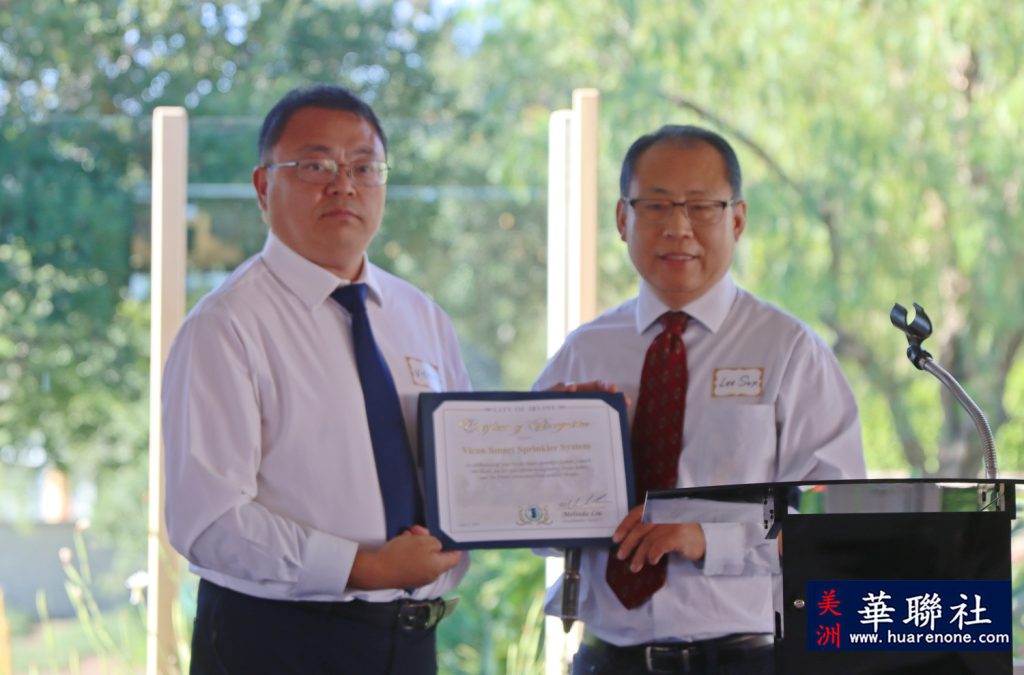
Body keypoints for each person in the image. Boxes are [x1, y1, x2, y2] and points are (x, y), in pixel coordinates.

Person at [534, 125, 866, 674]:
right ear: (622, 219)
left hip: (742, 660)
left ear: (737, 219)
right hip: (607, 660)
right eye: (656, 205)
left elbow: (836, 525)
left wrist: (706, 538)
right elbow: (528, 524)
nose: (678, 227)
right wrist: (557, 446)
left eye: (702, 207)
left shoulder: (788, 350)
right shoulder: (584, 353)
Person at [162, 84, 470, 674]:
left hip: (409, 642)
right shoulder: (225, 325)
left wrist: (558, 433)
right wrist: (364, 568)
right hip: (276, 641)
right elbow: (208, 520)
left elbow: (468, 467)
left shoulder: (422, 316)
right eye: (315, 166)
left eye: (364, 167)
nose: (343, 185)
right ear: (263, 186)